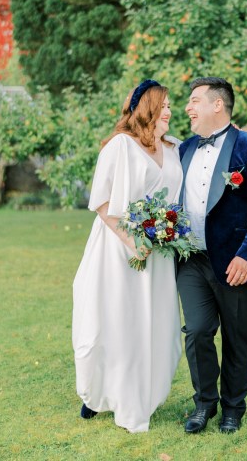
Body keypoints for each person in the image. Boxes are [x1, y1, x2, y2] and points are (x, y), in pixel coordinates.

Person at [72, 79, 182, 433]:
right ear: (147, 107)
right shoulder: (120, 146)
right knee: (114, 321)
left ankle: (143, 393)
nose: (169, 111)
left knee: (152, 323)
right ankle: (99, 394)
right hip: (118, 251)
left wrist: (164, 232)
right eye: (164, 105)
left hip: (160, 253)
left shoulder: (174, 147)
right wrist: (132, 241)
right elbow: (103, 203)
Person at [177, 77, 247, 434]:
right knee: (198, 331)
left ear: (217, 105)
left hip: (238, 263)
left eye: (194, 101)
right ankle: (204, 404)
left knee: (237, 335)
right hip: (192, 260)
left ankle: (234, 407)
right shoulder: (183, 149)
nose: (187, 108)